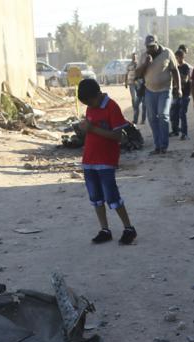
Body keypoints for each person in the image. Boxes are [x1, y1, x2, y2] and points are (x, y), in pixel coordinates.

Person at [76, 78, 137, 245]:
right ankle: (104, 229)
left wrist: (92, 129)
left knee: (112, 196)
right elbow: (91, 130)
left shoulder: (112, 107)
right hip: (89, 158)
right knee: (95, 196)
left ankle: (128, 228)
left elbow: (118, 136)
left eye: (89, 101)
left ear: (97, 95)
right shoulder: (90, 106)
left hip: (106, 160)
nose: (89, 105)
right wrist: (84, 129)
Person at [135, 34, 180, 154]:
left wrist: (178, 88)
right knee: (152, 118)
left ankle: (164, 146)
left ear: (156, 44)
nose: (149, 49)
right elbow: (137, 74)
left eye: (151, 46)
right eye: (147, 47)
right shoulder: (144, 56)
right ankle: (158, 145)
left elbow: (175, 71)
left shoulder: (167, 53)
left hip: (165, 90)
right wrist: (145, 64)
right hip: (150, 91)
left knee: (163, 116)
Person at [171, 49, 192, 141]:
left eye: (177, 57)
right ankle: (175, 131)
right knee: (173, 114)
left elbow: (185, 80)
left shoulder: (185, 67)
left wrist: (176, 79)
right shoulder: (175, 67)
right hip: (175, 94)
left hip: (184, 94)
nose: (176, 59)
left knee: (182, 114)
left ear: (181, 57)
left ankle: (184, 133)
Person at [126, 52, 141, 124]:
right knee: (133, 97)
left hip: (137, 83)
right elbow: (126, 73)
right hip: (131, 83)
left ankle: (136, 108)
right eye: (133, 57)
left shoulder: (139, 64)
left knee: (137, 97)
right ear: (132, 57)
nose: (134, 58)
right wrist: (125, 82)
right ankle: (135, 107)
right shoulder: (129, 65)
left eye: (135, 57)